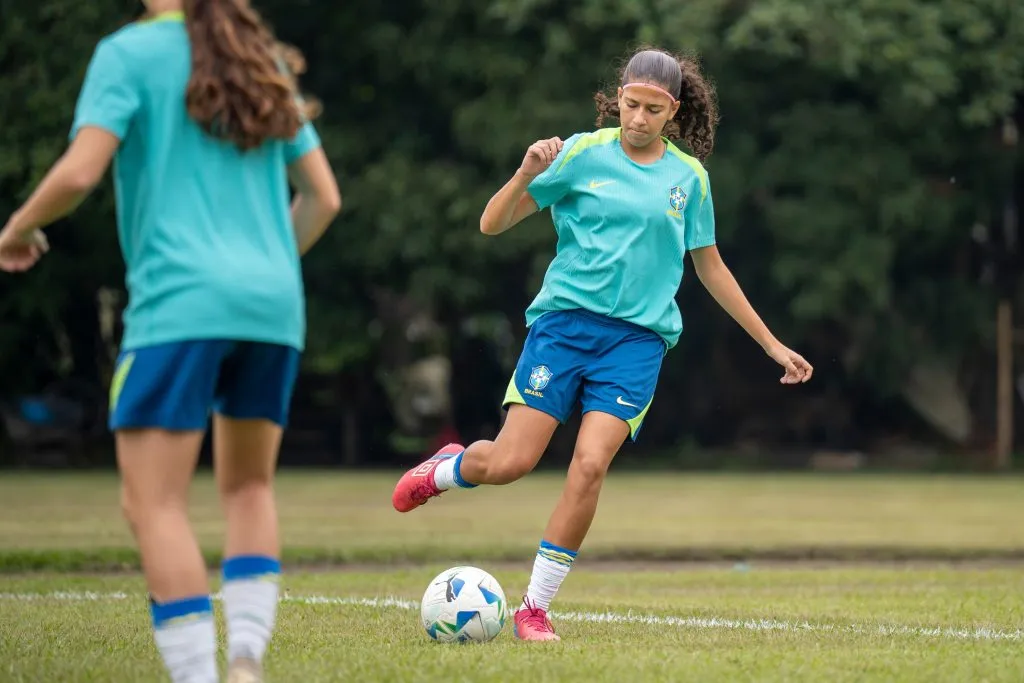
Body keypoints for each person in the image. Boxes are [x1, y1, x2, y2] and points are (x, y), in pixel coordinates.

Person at [391, 47, 813, 641]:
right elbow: (491, 224)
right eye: (630, 105)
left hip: (636, 344)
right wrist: (525, 173)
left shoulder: (689, 179)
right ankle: (449, 468)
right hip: (562, 330)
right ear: (618, 99)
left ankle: (534, 608)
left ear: (674, 110)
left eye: (652, 109)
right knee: (511, 463)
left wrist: (771, 344)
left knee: (589, 465)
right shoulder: (581, 155)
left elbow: (712, 268)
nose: (638, 118)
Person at [0, 0, 340, 680]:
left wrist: (17, 227)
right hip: (272, 308)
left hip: (180, 305)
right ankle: (245, 662)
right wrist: (265, 267)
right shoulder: (258, 56)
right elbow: (324, 198)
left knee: (153, 502)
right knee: (248, 488)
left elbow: (77, 172)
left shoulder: (127, 54)